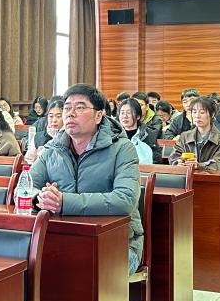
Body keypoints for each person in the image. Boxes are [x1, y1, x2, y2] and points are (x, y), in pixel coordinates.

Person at [29, 84, 143, 273]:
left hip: (117, 241)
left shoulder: (122, 148)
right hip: (62, 237)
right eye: (67, 108)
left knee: (76, 268)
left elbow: (125, 200)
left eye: (80, 107)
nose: (70, 114)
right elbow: (24, 188)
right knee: (26, 265)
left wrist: (64, 202)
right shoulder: (53, 148)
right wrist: (40, 199)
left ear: (99, 116)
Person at [170, 96, 220, 171]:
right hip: (186, 176)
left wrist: (199, 165)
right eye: (194, 112)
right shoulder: (184, 136)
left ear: (212, 114)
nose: (197, 116)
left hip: (211, 177)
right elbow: (174, 156)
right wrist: (178, 163)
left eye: (202, 112)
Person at [117, 97, 160, 164]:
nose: (125, 116)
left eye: (129, 113)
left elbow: (156, 160)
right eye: (122, 113)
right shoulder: (115, 135)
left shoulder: (148, 135)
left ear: (138, 116)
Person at [25, 98, 64, 164]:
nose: (54, 120)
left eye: (58, 116)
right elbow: (29, 160)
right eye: (51, 116)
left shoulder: (71, 138)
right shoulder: (38, 137)